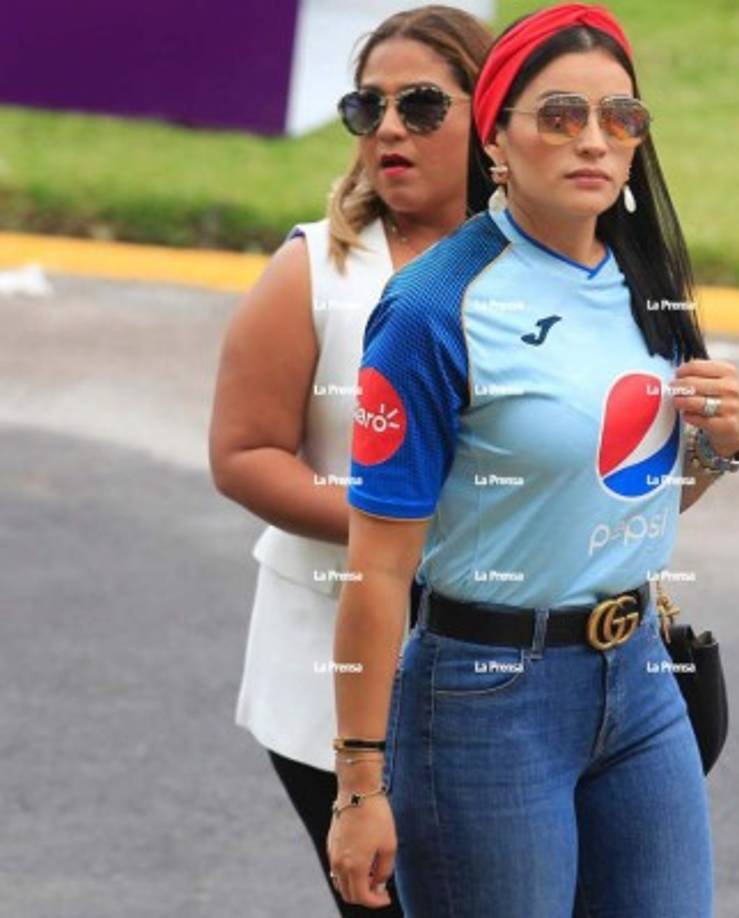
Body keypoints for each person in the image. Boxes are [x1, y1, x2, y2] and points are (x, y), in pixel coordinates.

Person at [326, 3, 739, 915]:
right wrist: (359, 784)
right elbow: (377, 568)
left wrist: (722, 451)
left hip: (639, 674)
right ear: (496, 139)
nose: (594, 140)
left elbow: (615, 496)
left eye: (619, 117)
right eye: (560, 116)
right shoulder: (431, 309)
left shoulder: (645, 281)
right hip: (484, 699)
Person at [208, 7, 492, 915]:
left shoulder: (546, 261)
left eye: (422, 104)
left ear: (493, 113)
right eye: (367, 108)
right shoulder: (314, 270)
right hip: (326, 674)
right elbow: (244, 453)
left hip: (508, 669)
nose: (390, 129)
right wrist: (396, 526)